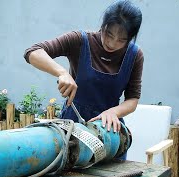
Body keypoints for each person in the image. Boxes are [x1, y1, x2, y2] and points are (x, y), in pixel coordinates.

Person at [24, 0, 143, 160]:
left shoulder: (134, 55)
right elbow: (33, 52)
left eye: (122, 40)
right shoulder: (79, 40)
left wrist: (113, 112)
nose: (112, 43)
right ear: (103, 25)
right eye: (109, 34)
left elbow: (133, 99)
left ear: (130, 38)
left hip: (109, 131)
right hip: (73, 125)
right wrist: (61, 72)